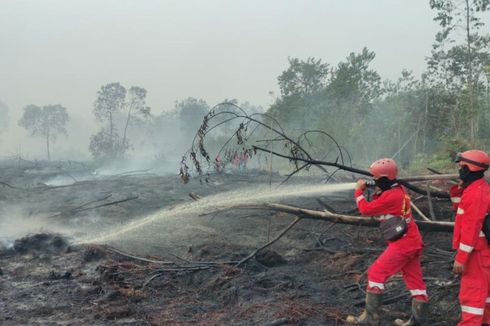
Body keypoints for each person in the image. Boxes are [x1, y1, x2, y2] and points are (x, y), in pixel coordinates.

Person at [346, 158, 428, 326]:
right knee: (414, 280)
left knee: (376, 273)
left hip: (403, 244)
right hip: (412, 241)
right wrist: (376, 188)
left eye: (376, 178)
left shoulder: (391, 196)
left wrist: (358, 192)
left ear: (384, 179)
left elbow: (365, 209)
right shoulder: (399, 189)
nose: (374, 180)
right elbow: (383, 199)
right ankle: (418, 321)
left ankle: (370, 319)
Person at [448, 150, 490, 326]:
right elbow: (460, 207)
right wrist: (459, 188)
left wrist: (461, 257)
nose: (459, 171)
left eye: (461, 167)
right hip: (480, 251)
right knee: (485, 292)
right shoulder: (475, 188)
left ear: (468, 168)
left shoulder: (476, 193)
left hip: (476, 253)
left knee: (472, 294)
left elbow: (471, 228)